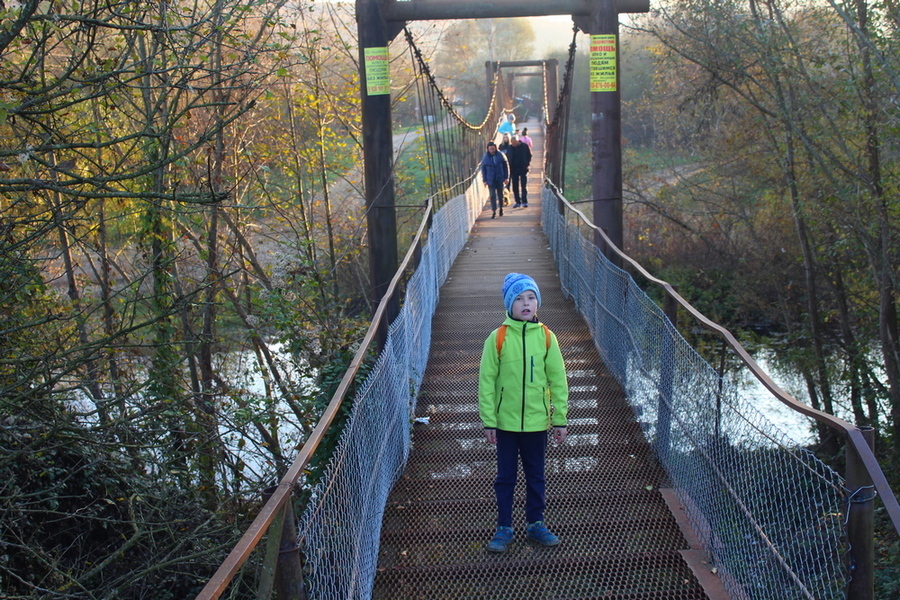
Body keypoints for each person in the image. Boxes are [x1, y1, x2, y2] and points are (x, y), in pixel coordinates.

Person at [479, 273, 569, 553]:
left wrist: (560, 418)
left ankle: (535, 523)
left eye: (530, 297)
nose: (525, 303)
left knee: (536, 475)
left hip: (536, 422)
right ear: (509, 305)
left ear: (538, 303)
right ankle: (504, 527)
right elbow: (486, 381)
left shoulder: (546, 337)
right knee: (505, 477)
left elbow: (558, 379)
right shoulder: (498, 337)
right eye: (518, 299)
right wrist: (488, 421)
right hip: (505, 424)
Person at [480, 141, 509, 219]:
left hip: (499, 178)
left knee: (500, 195)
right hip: (491, 180)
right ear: (488, 149)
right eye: (490, 149)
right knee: (492, 195)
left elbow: (506, 167)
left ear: (495, 148)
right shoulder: (485, 158)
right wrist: (484, 180)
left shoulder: (501, 156)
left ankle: (501, 209)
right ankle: (494, 211)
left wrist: (506, 177)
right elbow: (484, 170)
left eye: (493, 149)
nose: (492, 150)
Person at [506, 135, 532, 208]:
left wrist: (527, 164)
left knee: (524, 185)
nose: (513, 144)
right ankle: (517, 201)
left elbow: (529, 155)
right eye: (512, 143)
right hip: (513, 169)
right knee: (515, 186)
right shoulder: (510, 148)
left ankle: (524, 201)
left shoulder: (524, 146)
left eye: (514, 143)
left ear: (518, 141)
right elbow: (508, 157)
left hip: (523, 168)